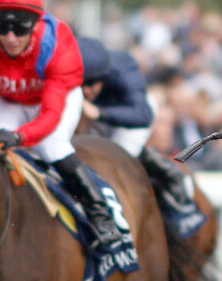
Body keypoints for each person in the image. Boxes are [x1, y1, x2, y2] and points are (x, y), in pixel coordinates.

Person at [0, 0, 121, 249]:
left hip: (53, 102)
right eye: (2, 28)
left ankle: (100, 213)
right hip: (7, 100)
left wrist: (19, 137)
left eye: (19, 29)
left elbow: (51, 117)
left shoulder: (58, 45)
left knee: (51, 146)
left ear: (35, 24)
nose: (10, 38)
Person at [76, 36, 195, 214]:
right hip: (92, 115)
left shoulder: (123, 68)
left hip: (132, 118)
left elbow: (143, 115)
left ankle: (163, 171)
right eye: (82, 83)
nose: (86, 90)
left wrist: (99, 113)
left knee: (117, 161)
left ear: (105, 76)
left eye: (93, 83)